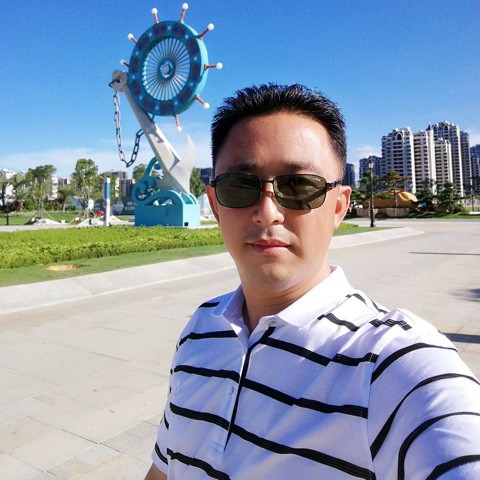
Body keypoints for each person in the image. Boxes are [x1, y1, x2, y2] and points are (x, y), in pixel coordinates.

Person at [145, 84, 480, 479]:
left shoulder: (396, 365)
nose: (267, 212)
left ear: (338, 206)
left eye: (299, 187)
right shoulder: (200, 330)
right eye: (239, 186)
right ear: (216, 205)